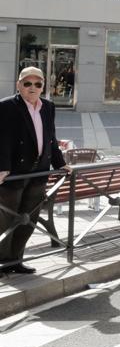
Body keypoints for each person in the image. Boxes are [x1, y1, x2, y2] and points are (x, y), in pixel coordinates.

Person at [0, 68, 68, 274]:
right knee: (6, 220)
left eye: (38, 84)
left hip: (39, 173)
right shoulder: (6, 107)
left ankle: (15, 260)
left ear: (43, 87)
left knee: (28, 219)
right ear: (18, 85)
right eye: (27, 83)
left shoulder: (48, 106)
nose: (32, 88)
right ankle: (2, 261)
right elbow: (1, 139)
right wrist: (2, 168)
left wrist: (60, 164)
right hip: (14, 173)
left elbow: (50, 138)